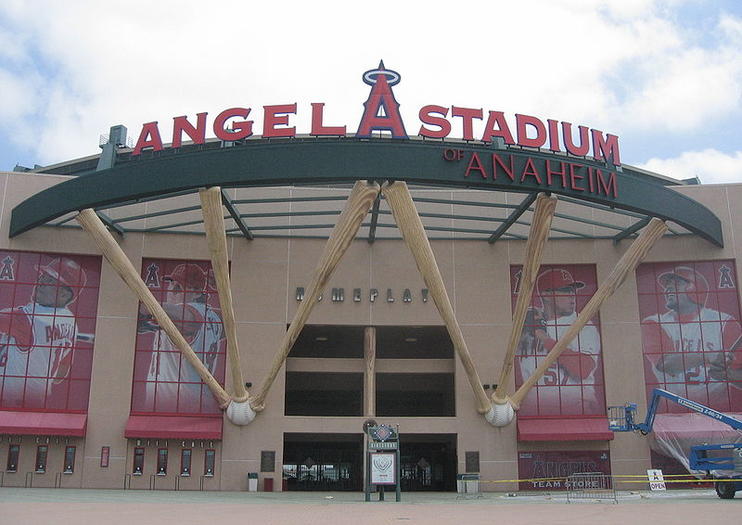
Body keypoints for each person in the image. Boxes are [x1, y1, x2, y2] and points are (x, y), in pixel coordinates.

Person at [642, 266, 742, 407]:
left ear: (694, 289)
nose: (667, 290)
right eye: (667, 287)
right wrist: (709, 356)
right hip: (672, 411)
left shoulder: (725, 322)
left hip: (719, 412)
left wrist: (727, 374)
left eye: (675, 285)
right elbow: (665, 364)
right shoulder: (654, 323)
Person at [137, 263, 224, 412]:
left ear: (197, 293)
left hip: (177, 408)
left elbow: (188, 320)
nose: (171, 291)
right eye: (171, 285)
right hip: (198, 403)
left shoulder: (190, 314)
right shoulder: (214, 316)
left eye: (179, 288)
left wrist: (146, 308)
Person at [0, 257, 86, 408]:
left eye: (50, 281)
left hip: (9, 405)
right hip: (37, 404)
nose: (40, 282)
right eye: (43, 277)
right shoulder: (71, 321)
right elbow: (60, 374)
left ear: (65, 295)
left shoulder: (28, 317)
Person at [516, 268, 602, 415]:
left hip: (577, 412)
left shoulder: (581, 324)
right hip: (533, 414)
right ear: (547, 295)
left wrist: (545, 339)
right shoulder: (528, 323)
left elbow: (583, 369)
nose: (572, 296)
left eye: (572, 290)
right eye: (565, 291)